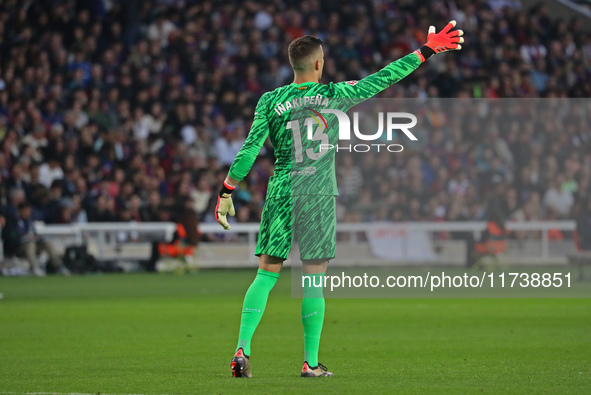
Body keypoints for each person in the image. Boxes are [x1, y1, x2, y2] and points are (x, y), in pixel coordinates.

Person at [214, 22, 464, 378]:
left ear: (293, 65)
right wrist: (425, 50)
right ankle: (310, 363)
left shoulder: (270, 101)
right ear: (319, 64)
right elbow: (383, 77)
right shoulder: (335, 94)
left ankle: (242, 351)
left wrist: (226, 190)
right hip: (316, 191)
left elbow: (249, 150)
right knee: (313, 278)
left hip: (283, 187)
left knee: (266, 273)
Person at [2, 202, 70, 276]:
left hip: (32, 245)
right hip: (17, 248)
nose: (27, 213)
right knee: (30, 243)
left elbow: (34, 234)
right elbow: (10, 236)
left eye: (29, 211)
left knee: (47, 243)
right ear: (20, 211)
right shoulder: (12, 222)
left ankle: (59, 266)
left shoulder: (30, 222)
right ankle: (34, 268)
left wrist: (37, 238)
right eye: (25, 211)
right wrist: (23, 237)